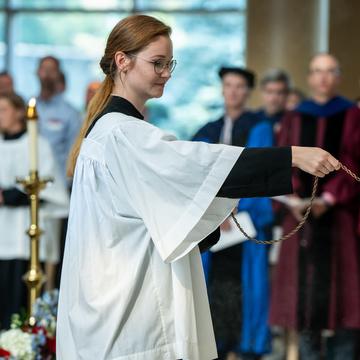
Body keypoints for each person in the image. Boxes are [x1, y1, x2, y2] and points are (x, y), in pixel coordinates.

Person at [56, 15, 340, 360]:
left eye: (169, 63)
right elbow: (195, 163)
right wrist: (292, 155)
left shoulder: (109, 131)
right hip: (129, 306)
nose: (166, 73)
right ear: (122, 61)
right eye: (157, 63)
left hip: (109, 293)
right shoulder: (123, 134)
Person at [270, 53, 360, 359]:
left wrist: (329, 198)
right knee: (303, 300)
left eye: (329, 72)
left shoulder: (351, 115)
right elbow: (283, 159)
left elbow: (353, 160)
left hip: (340, 219)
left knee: (345, 300)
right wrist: (296, 200)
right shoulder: (294, 117)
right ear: (309, 78)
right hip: (301, 218)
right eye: (316, 71)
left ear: (338, 77)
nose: (322, 78)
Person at [193, 67, 273, 360]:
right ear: (222, 89)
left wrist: (232, 209)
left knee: (246, 293)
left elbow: (262, 176)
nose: (234, 91)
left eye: (240, 86)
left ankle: (245, 347)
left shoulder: (259, 128)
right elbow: (195, 175)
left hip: (244, 225)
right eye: (228, 85)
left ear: (248, 92)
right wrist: (216, 211)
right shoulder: (207, 131)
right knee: (213, 293)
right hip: (215, 230)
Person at [0, 93, 69, 329]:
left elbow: (50, 187)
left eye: (3, 109)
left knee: (19, 303)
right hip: (2, 232)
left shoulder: (37, 145)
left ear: (19, 112)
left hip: (23, 234)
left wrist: (10, 195)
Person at [36, 55, 82, 183]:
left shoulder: (70, 113)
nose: (47, 74)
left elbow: (73, 152)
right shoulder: (29, 107)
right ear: (38, 72)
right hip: (28, 183)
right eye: (44, 69)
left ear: (58, 74)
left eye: (52, 70)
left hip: (57, 184)